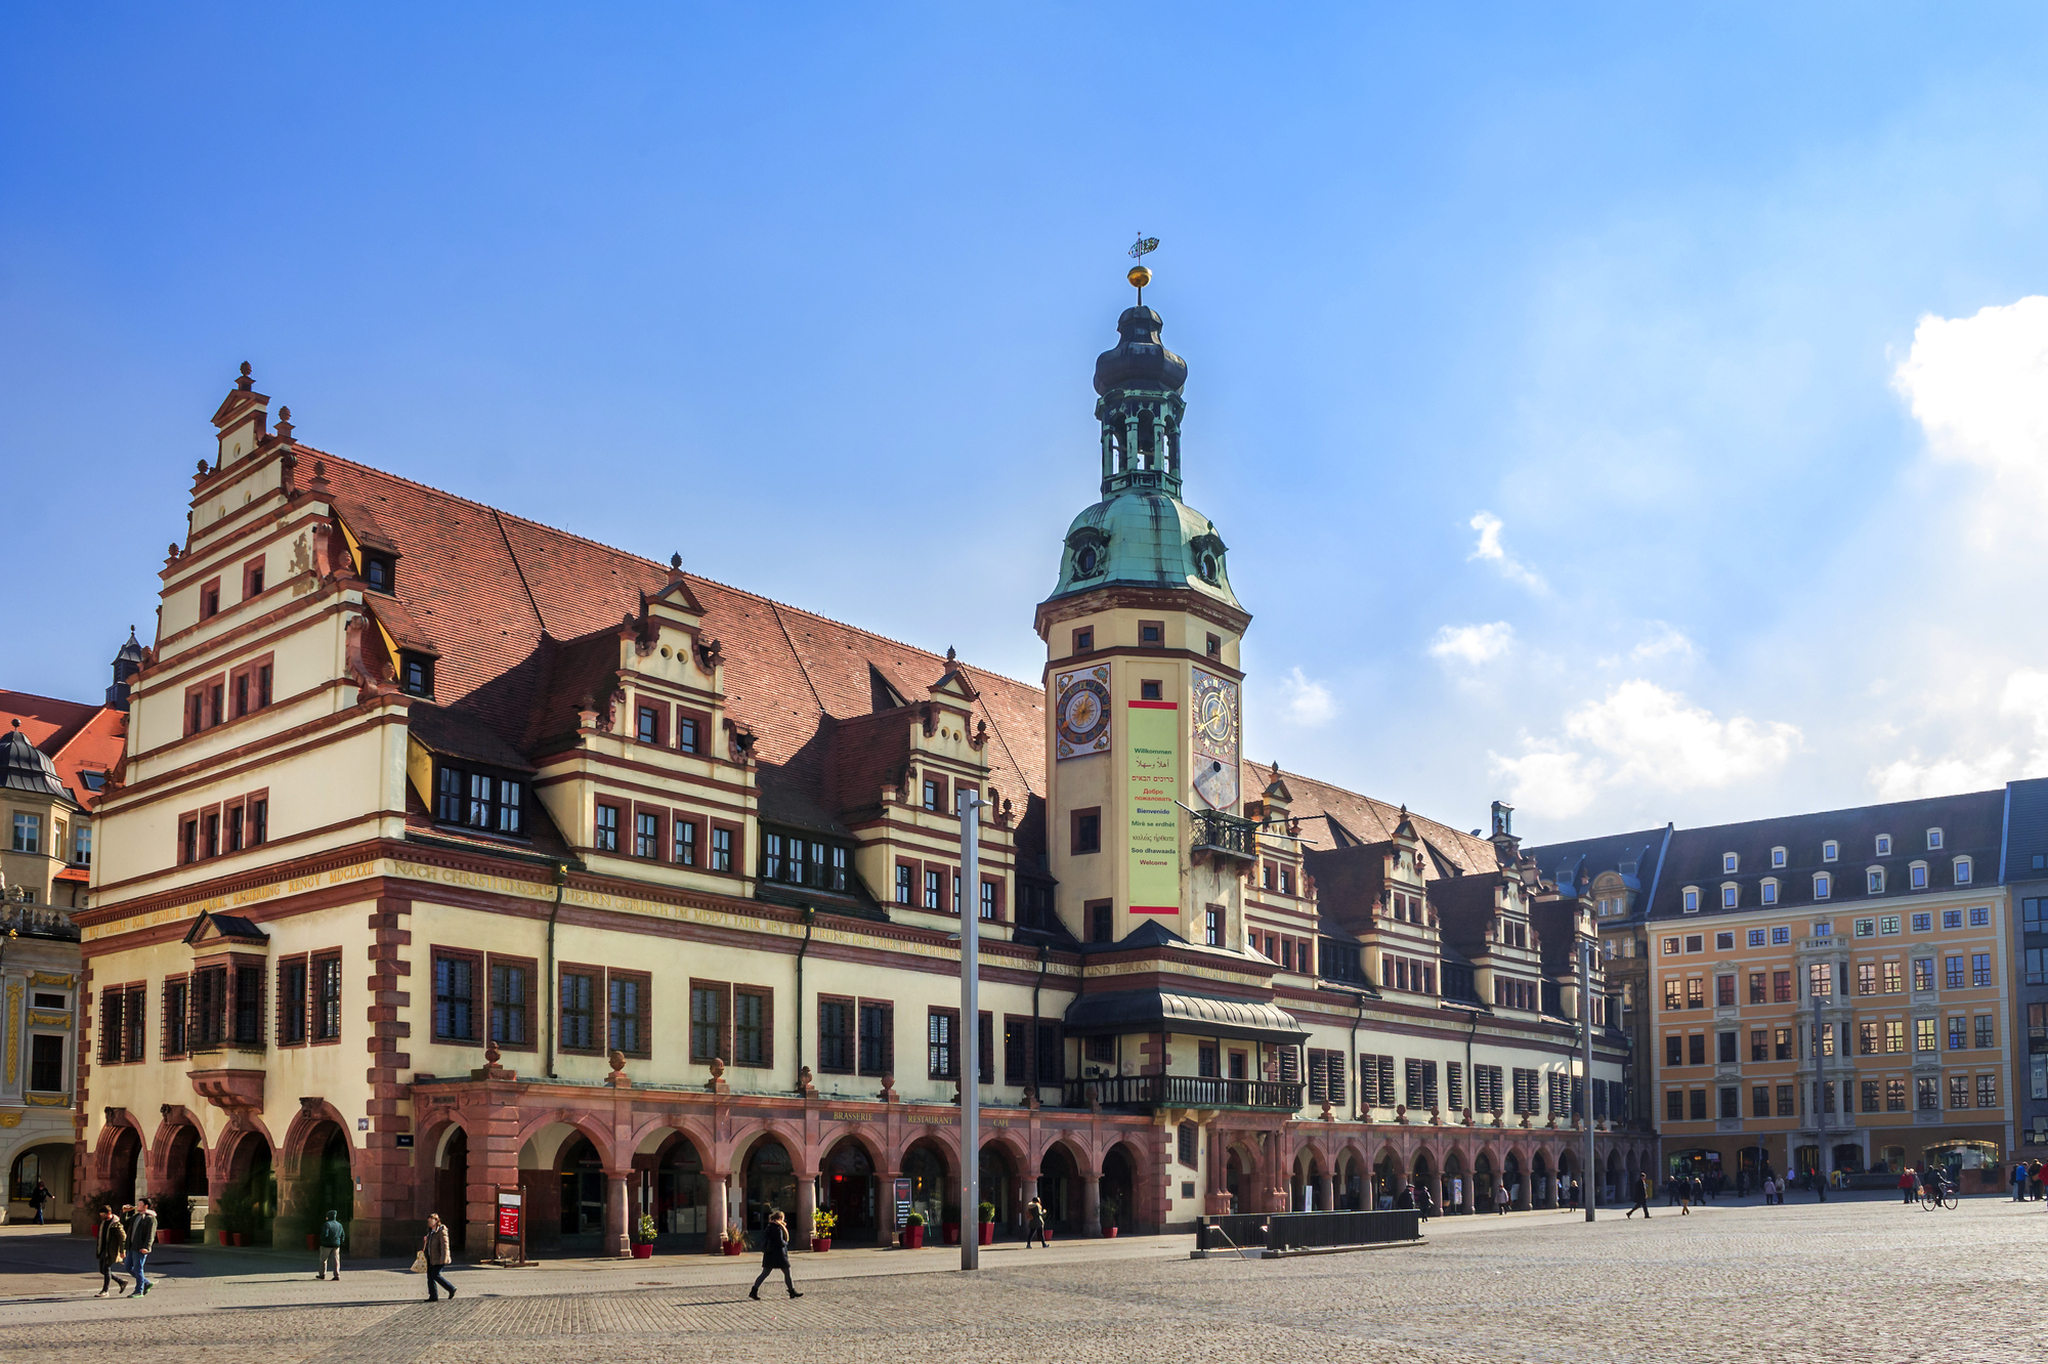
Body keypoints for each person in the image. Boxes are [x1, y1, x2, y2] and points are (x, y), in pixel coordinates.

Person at [749, 1209, 801, 1300]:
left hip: (770, 1255)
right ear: (780, 1218)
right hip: (778, 1255)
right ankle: (792, 1291)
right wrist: (786, 1243)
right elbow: (779, 1242)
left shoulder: (770, 1227)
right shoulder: (777, 1228)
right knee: (787, 1272)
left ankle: (754, 1291)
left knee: (765, 1273)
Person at [94, 1206, 128, 1298]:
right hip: (102, 1249)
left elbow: (123, 1237)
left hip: (111, 1250)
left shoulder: (116, 1224)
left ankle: (105, 1290)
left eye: (103, 1215)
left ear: (109, 1214)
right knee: (102, 1270)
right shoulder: (103, 1222)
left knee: (106, 1269)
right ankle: (121, 1281)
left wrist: (122, 1251)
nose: (101, 1216)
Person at [422, 1213, 456, 1303]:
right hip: (430, 1257)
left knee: (435, 1275)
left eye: (431, 1220)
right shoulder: (430, 1231)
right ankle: (433, 1295)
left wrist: (444, 1258)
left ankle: (451, 1288)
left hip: (438, 1258)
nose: (429, 1222)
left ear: (436, 1221)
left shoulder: (441, 1231)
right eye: (428, 1220)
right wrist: (426, 1240)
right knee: (430, 1277)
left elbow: (444, 1245)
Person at [126, 1197, 157, 1298]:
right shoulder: (136, 1217)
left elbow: (150, 1235)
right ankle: (146, 1282)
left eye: (139, 1204)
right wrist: (124, 1212)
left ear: (145, 1206)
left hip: (140, 1247)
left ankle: (139, 1290)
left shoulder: (150, 1219)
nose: (137, 1206)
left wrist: (146, 1247)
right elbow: (124, 1223)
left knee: (138, 1269)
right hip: (131, 1246)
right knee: (128, 1267)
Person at [317, 1208, 347, 1279]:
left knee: (323, 1260)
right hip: (336, 1245)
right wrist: (340, 1242)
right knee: (336, 1260)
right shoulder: (339, 1225)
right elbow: (342, 1235)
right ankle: (337, 1275)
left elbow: (325, 1234)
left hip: (326, 1245)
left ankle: (322, 1274)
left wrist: (322, 1241)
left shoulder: (327, 1224)